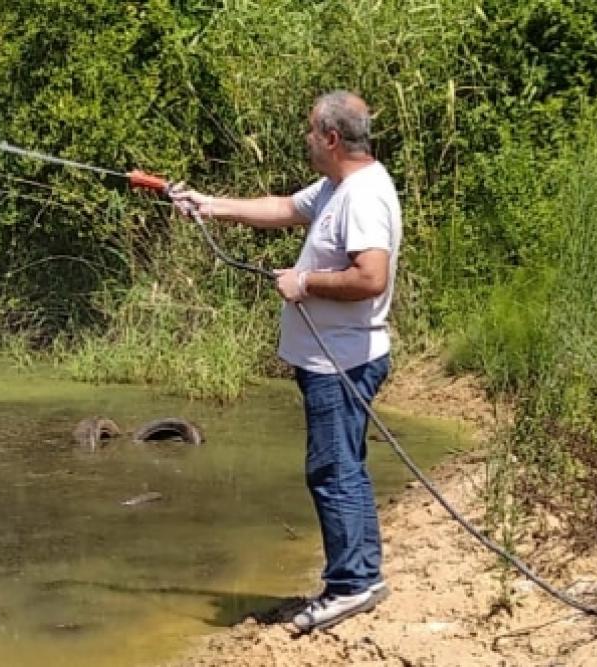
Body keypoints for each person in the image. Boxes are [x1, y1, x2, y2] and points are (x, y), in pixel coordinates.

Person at [171, 90, 402, 633]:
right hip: (335, 361)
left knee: (331, 471)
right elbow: (282, 208)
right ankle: (362, 574)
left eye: (309, 131)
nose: (304, 140)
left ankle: (350, 586)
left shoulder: (363, 196)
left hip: (341, 364)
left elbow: (371, 278)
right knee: (344, 465)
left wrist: (304, 282)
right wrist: (208, 204)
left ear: (330, 138)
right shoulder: (337, 186)